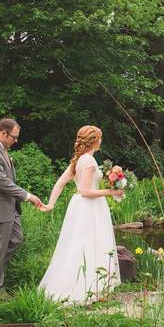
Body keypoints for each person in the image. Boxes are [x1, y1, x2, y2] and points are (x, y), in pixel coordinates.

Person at [38, 125, 123, 304]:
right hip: (90, 206)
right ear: (94, 140)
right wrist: (111, 192)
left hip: (80, 206)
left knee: (80, 244)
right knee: (91, 243)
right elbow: (85, 191)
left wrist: (51, 204)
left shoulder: (78, 161)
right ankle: (88, 287)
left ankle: (90, 285)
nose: (101, 140)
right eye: (100, 137)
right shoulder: (90, 162)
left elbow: (60, 183)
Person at [0, 118, 43, 299]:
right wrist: (28, 196)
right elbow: (3, 183)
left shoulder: (2, 150)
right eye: (14, 137)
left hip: (10, 208)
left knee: (16, 239)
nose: (16, 141)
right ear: (3, 133)